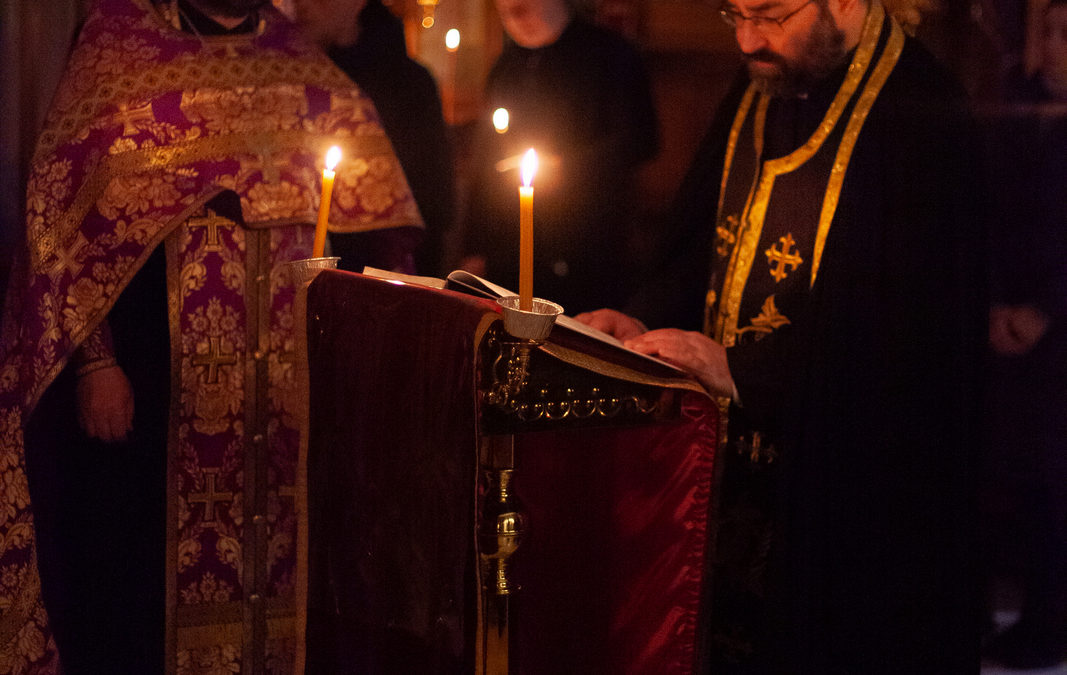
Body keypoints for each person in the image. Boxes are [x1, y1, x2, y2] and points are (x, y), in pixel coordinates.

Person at [0, 0, 422, 671]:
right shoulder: (120, 42)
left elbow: (368, 211)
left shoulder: (288, 51)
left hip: (282, 381)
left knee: (280, 567)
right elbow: (64, 216)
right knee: (132, 574)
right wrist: (95, 363)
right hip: (156, 372)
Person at [577, 0, 987, 670]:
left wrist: (744, 372)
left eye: (768, 14)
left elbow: (909, 350)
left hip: (846, 504)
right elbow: (693, 244)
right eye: (733, 13)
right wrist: (644, 320)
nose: (746, 39)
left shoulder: (921, 116)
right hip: (730, 467)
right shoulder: (762, 86)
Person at [460, 0, 659, 314]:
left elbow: (640, 140)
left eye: (523, 7)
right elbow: (485, 163)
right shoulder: (505, 67)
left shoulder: (611, 56)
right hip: (509, 248)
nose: (513, 16)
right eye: (505, 11)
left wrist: (566, 168)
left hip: (587, 246)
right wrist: (474, 246)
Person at [981, 0, 1067, 667]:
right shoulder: (1018, 106)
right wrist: (993, 301)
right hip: (1004, 325)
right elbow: (990, 215)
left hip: (1058, 333)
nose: (1054, 47)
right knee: (1006, 472)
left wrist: (1043, 306)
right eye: (1050, 33)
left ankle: (1049, 619)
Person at [295, 0, 456, 277]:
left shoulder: (408, 83)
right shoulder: (295, 75)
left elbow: (434, 202)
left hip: (384, 271)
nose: (302, 6)